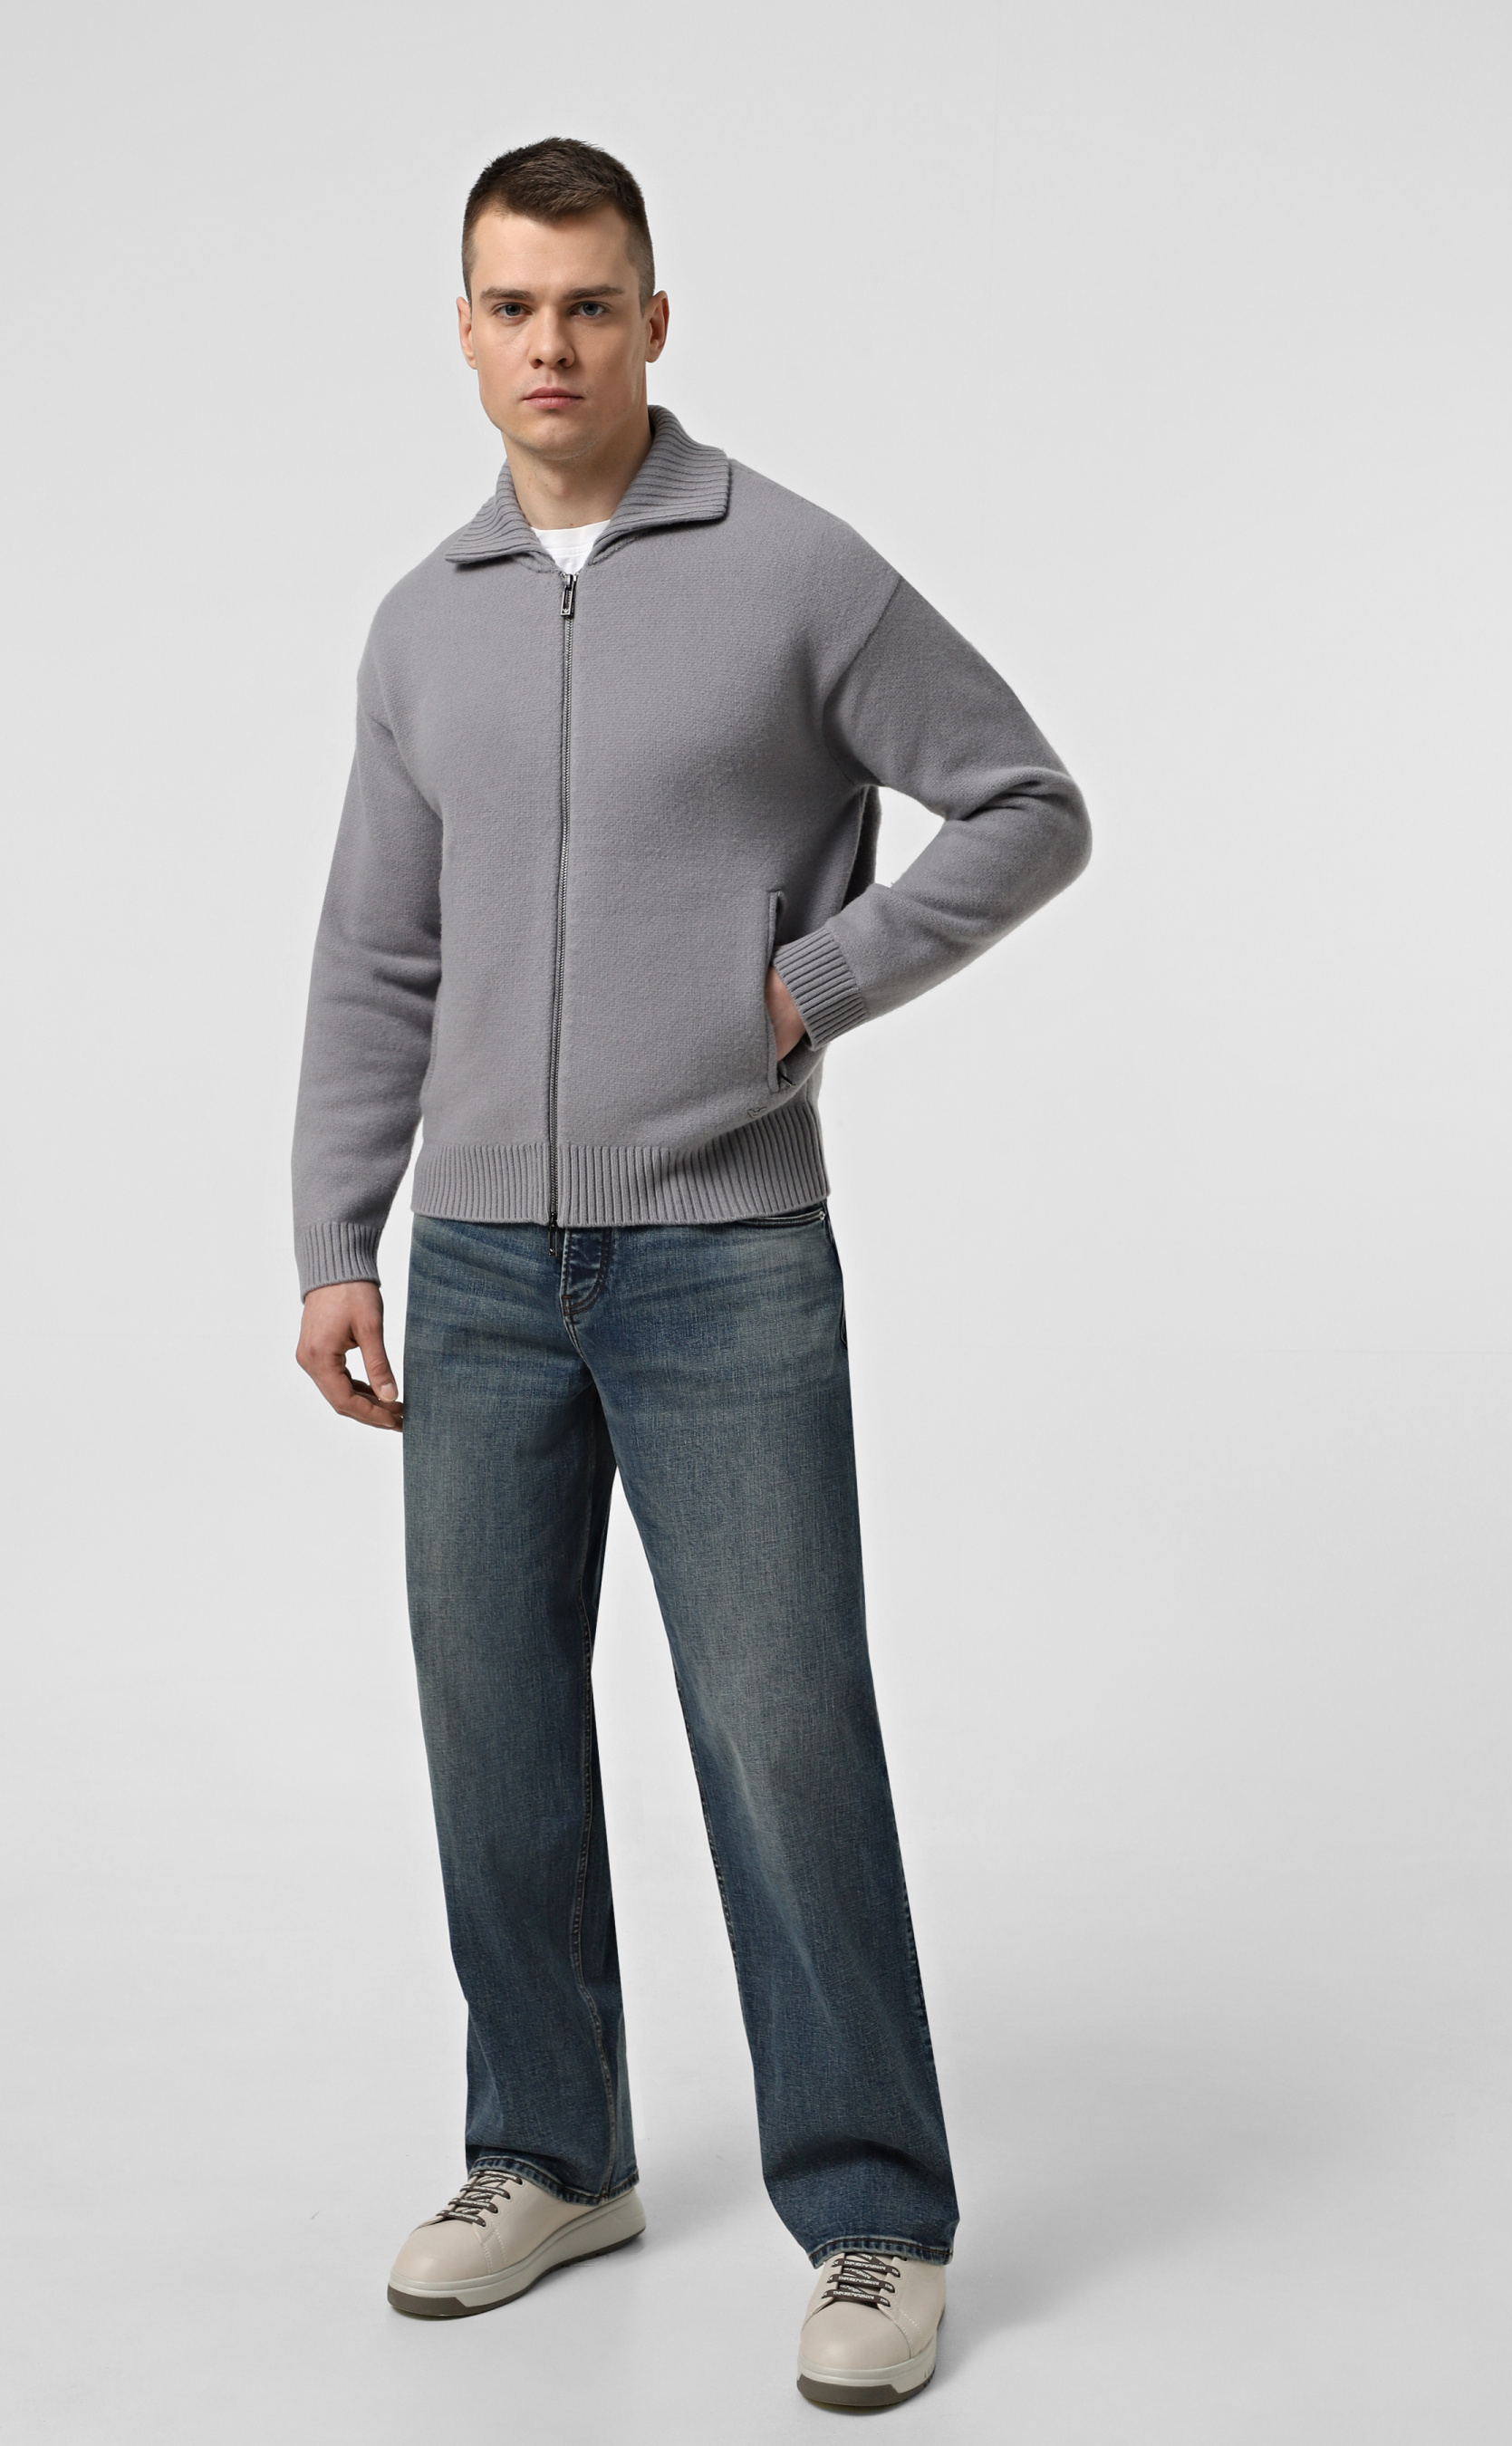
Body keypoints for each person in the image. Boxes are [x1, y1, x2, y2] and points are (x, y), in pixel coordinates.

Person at [291, 136, 1090, 2412]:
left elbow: (1025, 803)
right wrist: (334, 1234)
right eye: (509, 306)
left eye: (588, 304)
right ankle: (550, 2154)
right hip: (473, 1264)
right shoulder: (422, 618)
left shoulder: (791, 569)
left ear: (653, 321)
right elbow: (378, 948)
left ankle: (873, 2213)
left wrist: (803, 988)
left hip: (722, 1254)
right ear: (463, 333)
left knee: (777, 1730)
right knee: (492, 1723)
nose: (548, 344)